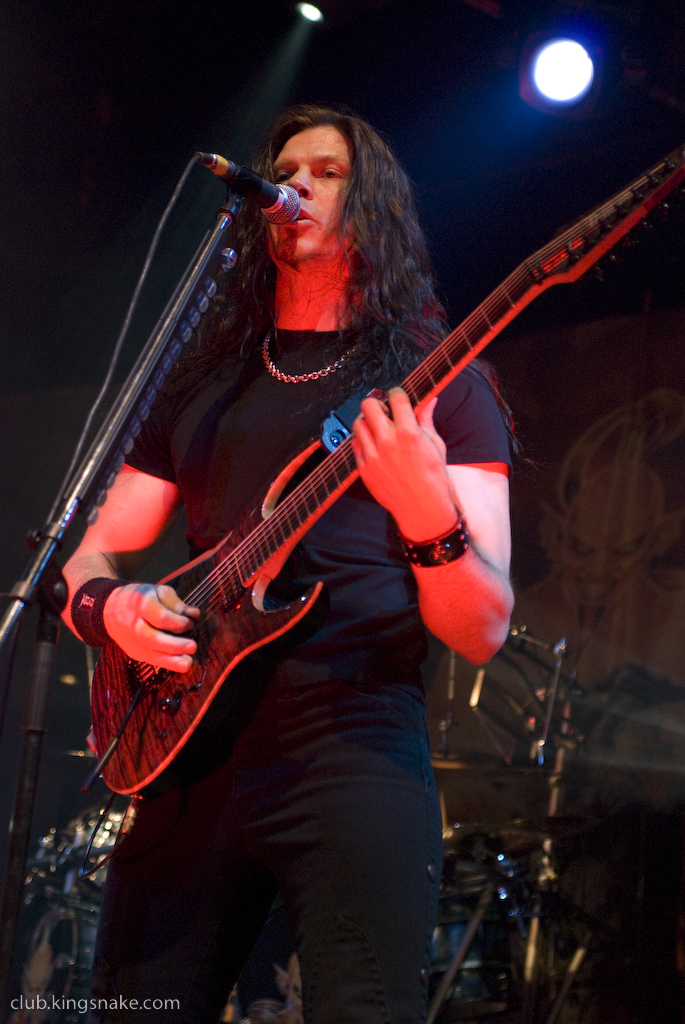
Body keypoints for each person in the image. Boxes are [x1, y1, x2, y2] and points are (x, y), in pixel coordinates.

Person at [62, 104, 514, 1024]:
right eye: (285, 171)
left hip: (352, 751)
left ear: (372, 206)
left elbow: (481, 628)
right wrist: (113, 611)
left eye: (327, 172)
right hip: (184, 748)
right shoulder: (203, 379)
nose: (295, 185)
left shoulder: (438, 385)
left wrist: (425, 513)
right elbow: (89, 556)